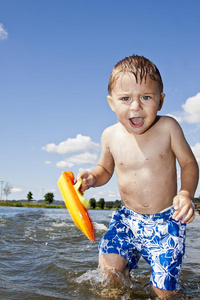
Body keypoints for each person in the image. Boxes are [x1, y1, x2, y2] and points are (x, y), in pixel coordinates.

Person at [77, 55, 199, 299]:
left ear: (160, 101)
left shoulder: (168, 128)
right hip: (127, 219)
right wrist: (92, 178)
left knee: (164, 292)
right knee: (109, 271)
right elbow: (105, 170)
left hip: (166, 221)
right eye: (125, 98)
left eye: (146, 97)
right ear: (112, 103)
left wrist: (185, 194)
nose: (135, 106)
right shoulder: (110, 136)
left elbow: (188, 163)